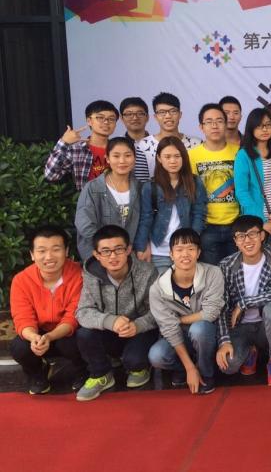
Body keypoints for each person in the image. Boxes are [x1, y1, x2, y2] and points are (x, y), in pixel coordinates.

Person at [75, 225, 159, 401]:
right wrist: (111, 321)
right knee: (84, 333)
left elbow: (158, 311)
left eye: (118, 249)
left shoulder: (147, 272)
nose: (113, 256)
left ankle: (139, 367)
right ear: (96, 255)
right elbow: (83, 311)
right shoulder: (91, 274)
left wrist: (137, 325)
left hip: (139, 330)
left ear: (128, 250)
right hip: (110, 330)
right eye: (106, 251)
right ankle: (101, 374)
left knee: (134, 360)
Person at [10, 225, 85, 395]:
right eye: (42, 251)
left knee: (81, 339)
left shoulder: (79, 275)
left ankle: (82, 371)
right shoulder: (21, 280)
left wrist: (51, 336)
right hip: (39, 334)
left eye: (56, 249)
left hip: (68, 333)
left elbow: (73, 316)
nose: (49, 257)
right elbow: (22, 318)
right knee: (19, 346)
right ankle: (37, 374)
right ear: (32, 254)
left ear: (66, 251)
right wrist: (34, 337)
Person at [148, 229, 225, 394]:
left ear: (198, 253)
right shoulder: (158, 288)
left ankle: (206, 372)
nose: (185, 254)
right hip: (179, 335)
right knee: (156, 356)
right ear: (171, 254)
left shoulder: (213, 273)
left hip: (207, 333)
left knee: (199, 328)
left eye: (191, 249)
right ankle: (185, 369)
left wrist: (179, 320)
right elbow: (169, 328)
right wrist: (189, 367)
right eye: (179, 249)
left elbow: (211, 313)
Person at [216, 215, 271, 386]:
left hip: (266, 326)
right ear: (235, 241)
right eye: (241, 236)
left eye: (252, 234)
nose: (247, 240)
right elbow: (222, 307)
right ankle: (250, 351)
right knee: (228, 366)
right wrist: (224, 341)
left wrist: (243, 303)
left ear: (262, 235)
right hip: (240, 328)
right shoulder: (226, 265)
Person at [134, 137, 207, 273]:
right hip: (158, 251)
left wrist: (192, 242)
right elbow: (145, 219)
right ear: (159, 158)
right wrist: (141, 246)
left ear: (184, 157)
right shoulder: (150, 186)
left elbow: (199, 214)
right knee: (162, 286)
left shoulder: (194, 182)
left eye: (177, 156)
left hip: (185, 251)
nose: (173, 161)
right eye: (167, 157)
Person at [189, 103, 240, 265]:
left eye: (219, 121)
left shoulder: (240, 152)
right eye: (209, 122)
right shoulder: (191, 156)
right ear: (201, 127)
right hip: (206, 227)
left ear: (226, 124)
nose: (214, 126)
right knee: (212, 275)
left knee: (237, 274)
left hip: (236, 225)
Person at [75, 137, 141, 261]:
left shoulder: (140, 188)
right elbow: (84, 223)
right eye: (116, 156)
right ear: (107, 158)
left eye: (128, 155)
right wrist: (106, 249)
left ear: (134, 158)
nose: (122, 161)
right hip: (98, 255)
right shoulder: (93, 188)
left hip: (130, 254)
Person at [235, 108, 271, 242]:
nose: (265, 129)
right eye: (259, 126)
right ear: (251, 128)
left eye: (268, 125)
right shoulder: (243, 155)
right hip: (258, 221)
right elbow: (242, 192)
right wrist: (261, 221)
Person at [45, 99, 119, 190]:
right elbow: (51, 175)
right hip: (87, 198)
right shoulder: (76, 150)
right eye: (100, 117)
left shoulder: (119, 149)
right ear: (89, 121)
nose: (106, 122)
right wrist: (64, 142)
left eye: (111, 119)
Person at [136, 92, 201, 177]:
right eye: (162, 112)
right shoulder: (143, 145)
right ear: (155, 117)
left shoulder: (197, 144)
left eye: (173, 111)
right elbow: (141, 180)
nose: (168, 116)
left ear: (180, 114)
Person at [119, 97, 151, 182]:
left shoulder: (158, 144)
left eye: (140, 113)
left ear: (147, 117)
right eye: (129, 114)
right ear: (121, 118)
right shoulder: (115, 146)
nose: (135, 118)